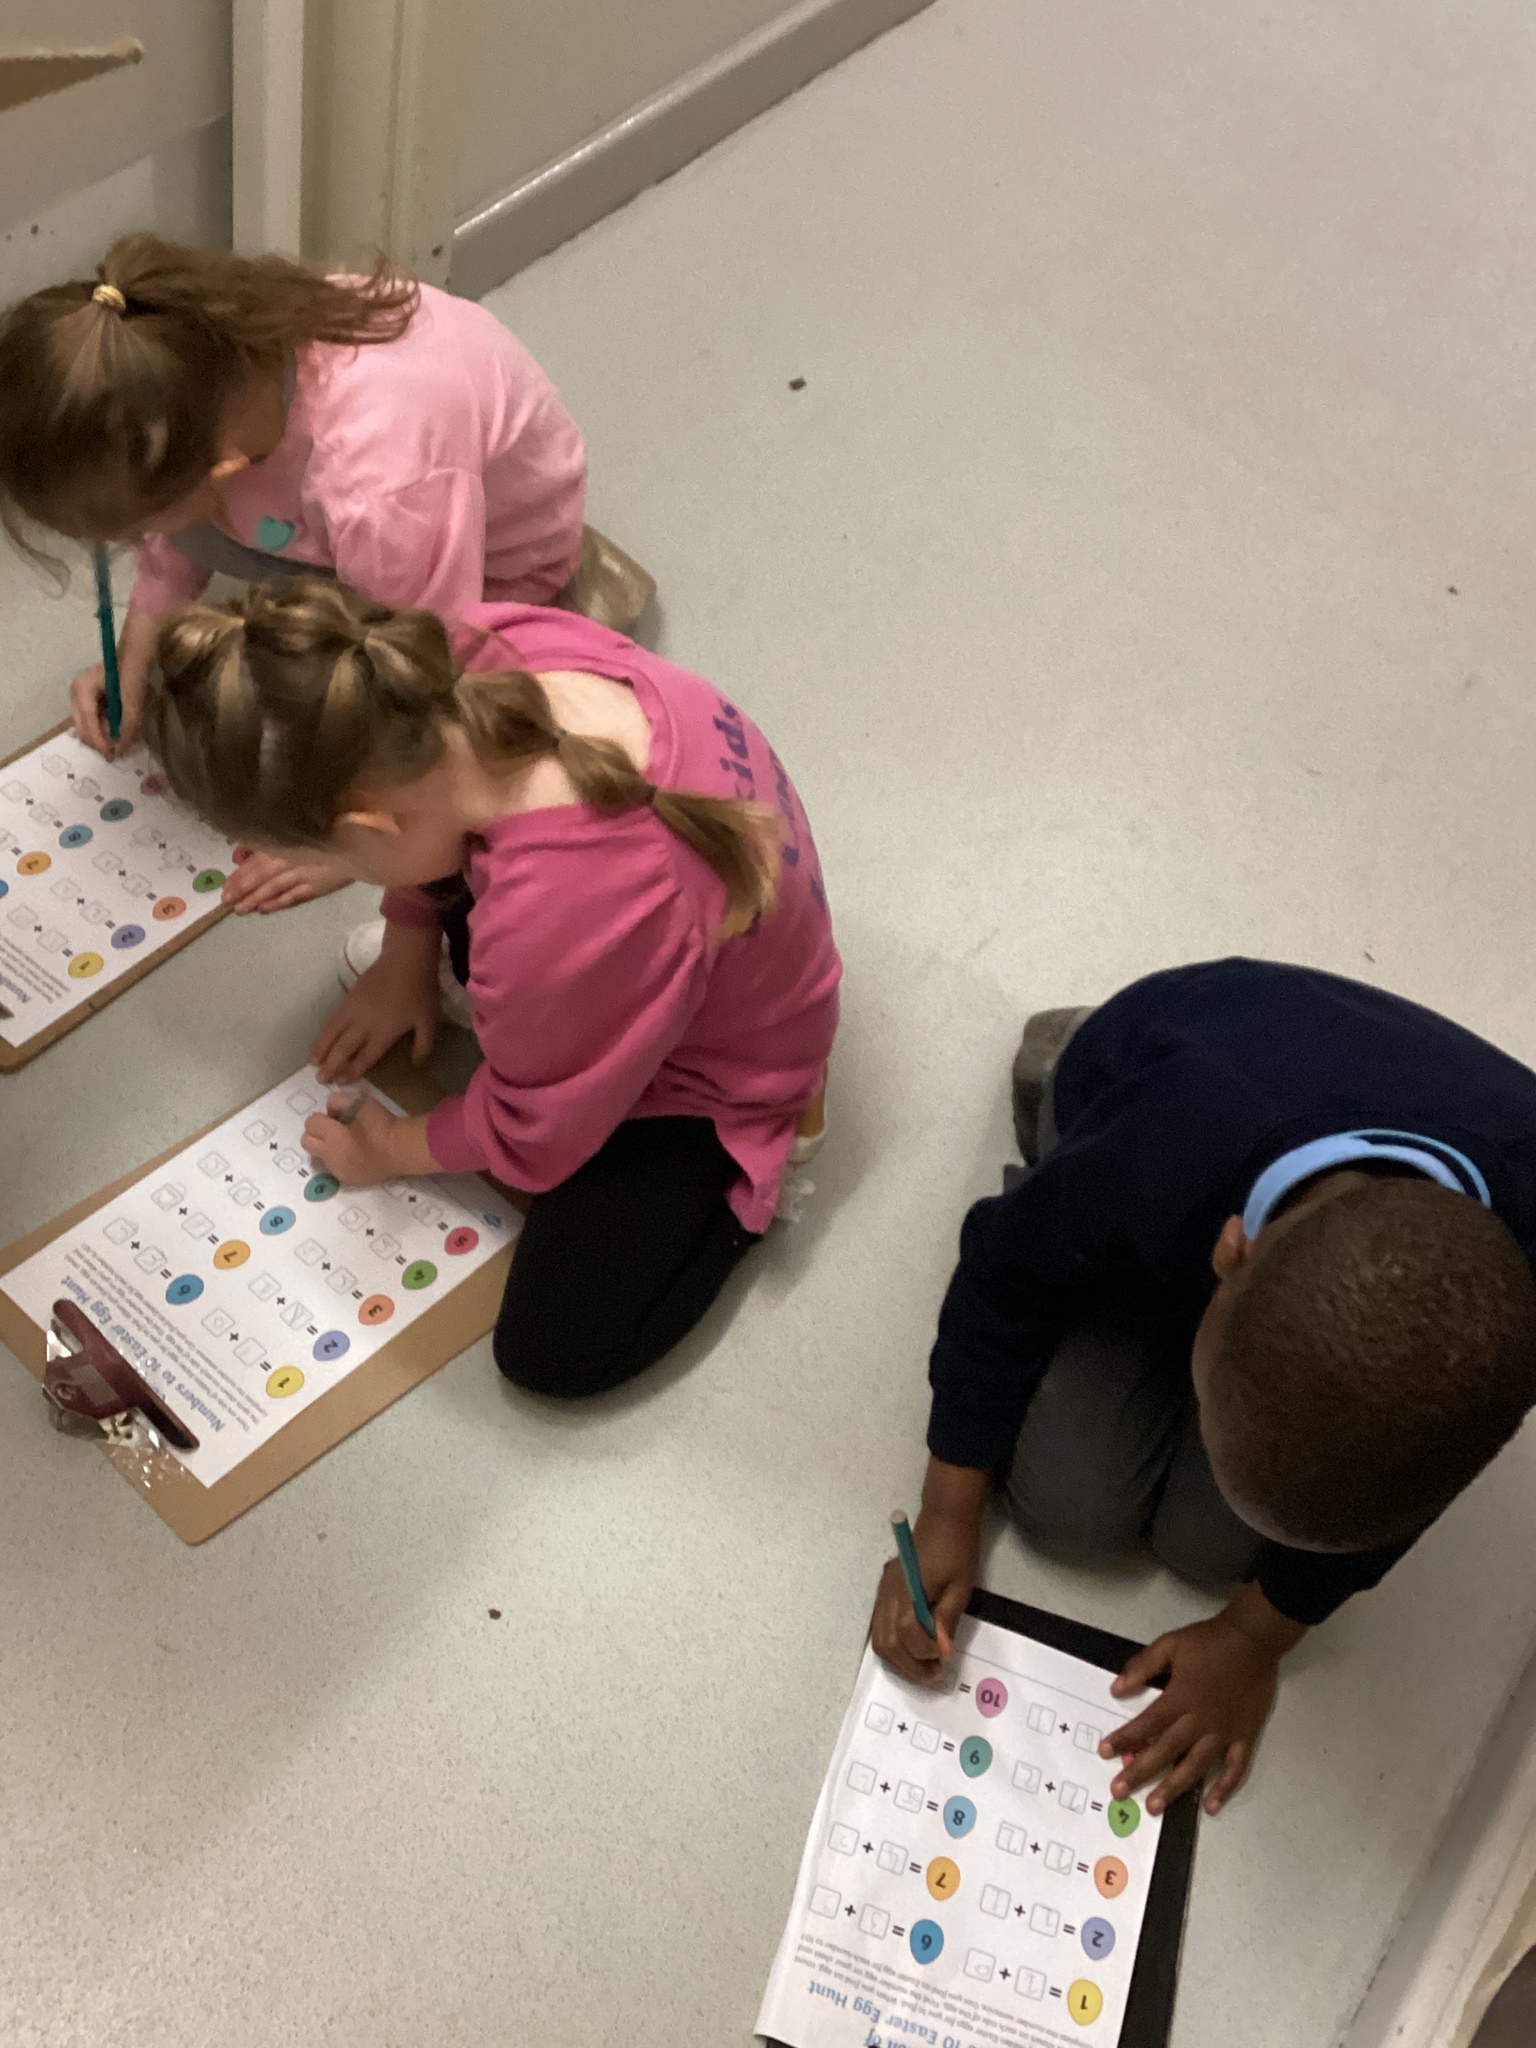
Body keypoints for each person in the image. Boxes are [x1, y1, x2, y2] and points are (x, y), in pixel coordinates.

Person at [871, 958, 1536, 1818]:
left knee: (1210, 1547)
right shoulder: (1164, 1146)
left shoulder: (1513, 1323)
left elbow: (1407, 1489)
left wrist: (1255, 1639)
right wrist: (949, 1508)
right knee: (1069, 1510)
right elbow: (1004, 1275)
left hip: (1286, 1167)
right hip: (1175, 1072)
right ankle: (1062, 1066)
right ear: (1228, 1254)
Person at [141, 579, 839, 1395]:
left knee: (554, 1350)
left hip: (728, 1064)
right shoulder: (468, 649)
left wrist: (391, 1148)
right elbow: (428, 852)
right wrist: (405, 957)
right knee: (489, 925)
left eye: (342, 861)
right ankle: (536, 1007)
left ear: (367, 826)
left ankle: (766, 1150)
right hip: (662, 936)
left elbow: (534, 1135)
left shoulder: (562, 916)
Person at [0, 234, 653, 912]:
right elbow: (176, 533)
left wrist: (346, 848)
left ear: (220, 467)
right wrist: (135, 651)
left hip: (501, 563)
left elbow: (430, 655)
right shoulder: (201, 362)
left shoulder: (377, 482)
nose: (141, 541)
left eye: (140, 526)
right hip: (374, 521)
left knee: (418, 674)